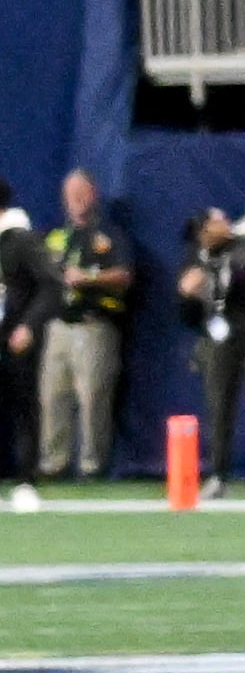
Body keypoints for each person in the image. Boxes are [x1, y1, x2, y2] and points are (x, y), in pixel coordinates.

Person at [37, 169, 130, 483]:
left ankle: (92, 465)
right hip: (59, 326)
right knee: (53, 396)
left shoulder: (109, 234)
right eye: (70, 194)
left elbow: (125, 274)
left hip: (94, 326)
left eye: (82, 193)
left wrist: (89, 278)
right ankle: (54, 462)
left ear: (93, 194)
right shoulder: (55, 235)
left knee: (93, 397)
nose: (76, 200)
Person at [175, 207, 245, 495]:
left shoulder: (243, 246)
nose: (222, 224)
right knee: (218, 406)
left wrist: (210, 278)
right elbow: (186, 314)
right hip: (217, 338)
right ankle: (219, 474)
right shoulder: (195, 257)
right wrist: (187, 295)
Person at [0, 182, 45, 511]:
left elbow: (53, 286)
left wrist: (29, 325)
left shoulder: (22, 240)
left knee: (23, 407)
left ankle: (26, 481)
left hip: (14, 338)